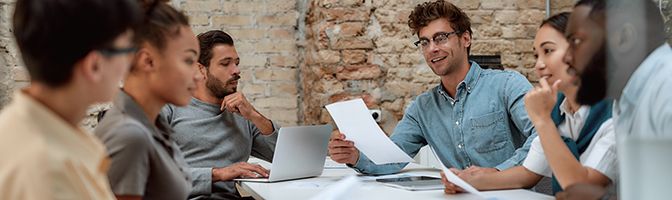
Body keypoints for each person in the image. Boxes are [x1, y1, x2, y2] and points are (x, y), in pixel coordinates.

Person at [328, 0, 536, 176]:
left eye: (441, 38)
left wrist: (498, 173)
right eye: (424, 42)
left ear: (466, 38)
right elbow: (392, 156)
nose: (432, 49)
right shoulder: (422, 109)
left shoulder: (508, 85)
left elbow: (542, 138)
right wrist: (354, 157)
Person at [440, 12, 617, 195]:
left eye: (548, 51)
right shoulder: (559, 111)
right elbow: (527, 173)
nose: (538, 65)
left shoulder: (616, 114)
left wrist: (542, 121)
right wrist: (467, 181)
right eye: (536, 55)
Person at [0, 0, 141, 199]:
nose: (130, 63)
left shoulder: (19, 127)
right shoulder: (50, 175)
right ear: (94, 65)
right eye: (127, 51)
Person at [558, 0, 672, 199]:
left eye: (576, 41)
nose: (566, 57)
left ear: (623, 38)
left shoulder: (666, 89)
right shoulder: (625, 100)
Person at [94, 1, 200, 199]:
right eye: (188, 61)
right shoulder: (130, 136)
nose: (198, 76)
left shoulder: (155, 126)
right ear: (148, 61)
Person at [161, 30, 279, 199]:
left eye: (237, 63)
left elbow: (286, 158)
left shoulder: (242, 114)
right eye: (225, 64)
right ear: (201, 69)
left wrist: (255, 115)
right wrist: (218, 174)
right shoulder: (169, 109)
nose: (236, 71)